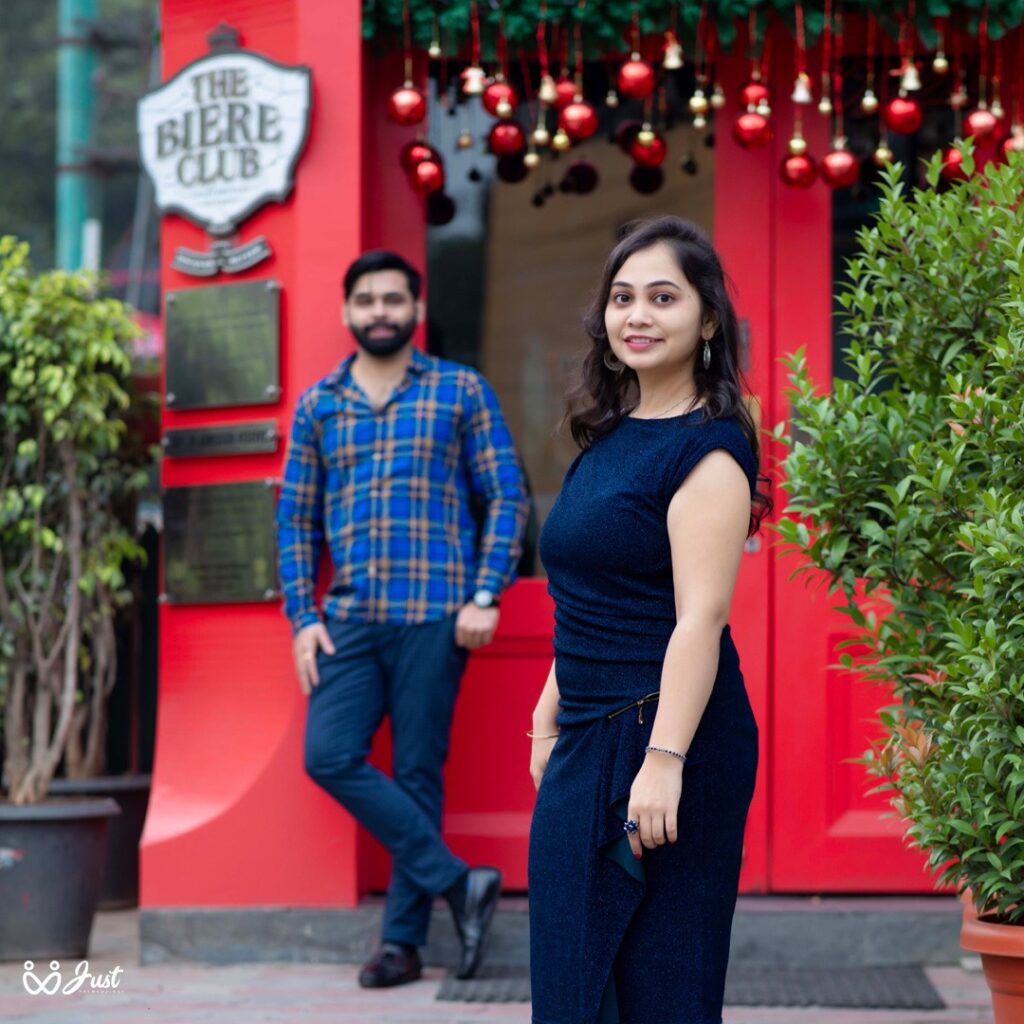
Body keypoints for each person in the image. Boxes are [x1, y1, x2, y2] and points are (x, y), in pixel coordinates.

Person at [528, 217, 771, 1024]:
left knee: (662, 985)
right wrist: (547, 707)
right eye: (623, 298)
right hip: (590, 732)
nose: (637, 315)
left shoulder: (708, 452)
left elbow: (700, 619)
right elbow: (596, 591)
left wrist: (665, 758)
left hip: (668, 739)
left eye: (663, 298)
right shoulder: (608, 439)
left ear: (707, 321)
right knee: (572, 977)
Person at [276, 250, 529, 988]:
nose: (380, 311)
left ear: (416, 310)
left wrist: (485, 595)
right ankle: (460, 881)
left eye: (393, 299)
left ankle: (401, 945)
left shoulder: (459, 391)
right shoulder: (321, 403)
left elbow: (506, 495)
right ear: (348, 312)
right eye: (366, 300)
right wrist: (301, 615)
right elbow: (294, 519)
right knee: (327, 754)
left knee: (418, 770)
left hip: (434, 615)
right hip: (349, 617)